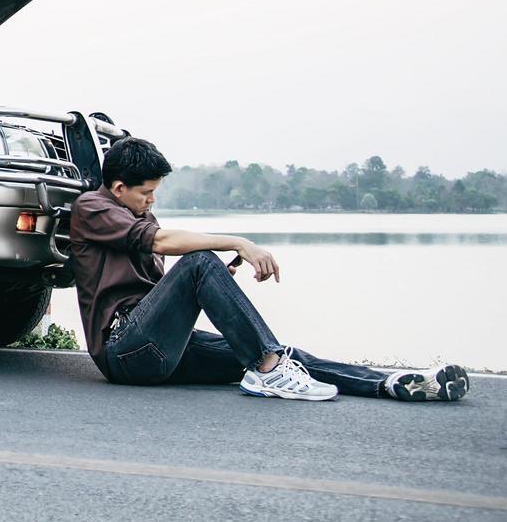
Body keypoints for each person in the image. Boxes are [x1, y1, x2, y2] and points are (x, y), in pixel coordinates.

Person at [69, 137, 469, 402]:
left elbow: (158, 278)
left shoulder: (135, 213)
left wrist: (208, 284)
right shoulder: (93, 208)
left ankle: (391, 384)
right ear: (119, 188)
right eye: (146, 193)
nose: (152, 201)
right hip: (125, 350)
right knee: (200, 263)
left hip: (162, 345)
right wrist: (237, 242)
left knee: (279, 351)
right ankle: (269, 372)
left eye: (156, 193)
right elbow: (161, 243)